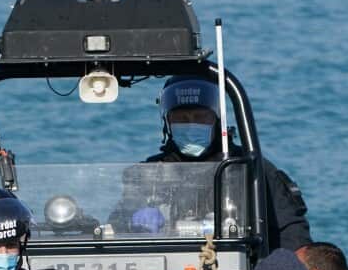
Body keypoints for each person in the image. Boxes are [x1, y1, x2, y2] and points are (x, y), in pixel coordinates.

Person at [109, 76, 311, 251]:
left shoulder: (248, 167)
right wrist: (129, 221)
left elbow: (291, 231)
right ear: (167, 122)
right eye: (181, 118)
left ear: (217, 118)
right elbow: (115, 224)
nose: (190, 125)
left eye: (200, 117)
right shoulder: (149, 173)